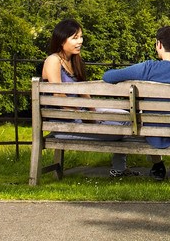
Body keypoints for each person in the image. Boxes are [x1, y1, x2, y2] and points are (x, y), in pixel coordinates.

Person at [102, 25, 170, 181]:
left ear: (159, 44)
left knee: (150, 121)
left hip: (155, 134)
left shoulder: (148, 68)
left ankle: (158, 166)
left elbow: (108, 76)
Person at [41, 19, 139, 178]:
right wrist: (88, 118)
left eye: (80, 36)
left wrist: (93, 114)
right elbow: (58, 96)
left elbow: (83, 92)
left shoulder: (74, 61)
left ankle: (119, 169)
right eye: (74, 37)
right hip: (65, 123)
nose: (79, 41)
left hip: (80, 113)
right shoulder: (53, 60)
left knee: (126, 117)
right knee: (118, 131)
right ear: (61, 40)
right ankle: (119, 169)